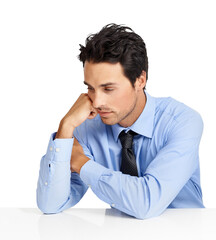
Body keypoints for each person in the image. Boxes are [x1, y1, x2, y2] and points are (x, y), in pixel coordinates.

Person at [36, 23, 204, 219]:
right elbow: (51, 205)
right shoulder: (86, 129)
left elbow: (146, 203)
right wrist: (65, 128)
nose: (97, 102)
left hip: (186, 232)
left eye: (108, 89)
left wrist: (82, 163)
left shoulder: (182, 122)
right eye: (91, 88)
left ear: (140, 80)